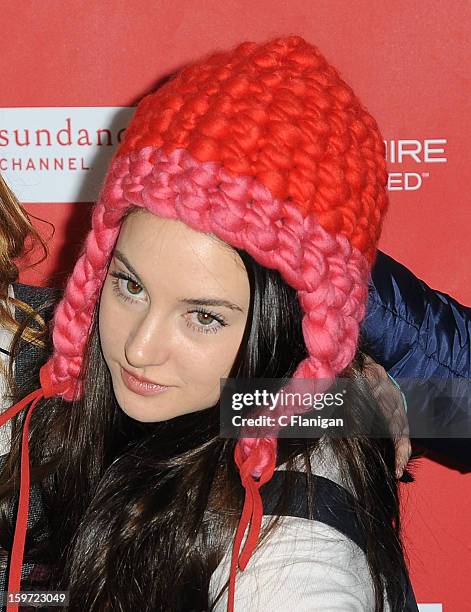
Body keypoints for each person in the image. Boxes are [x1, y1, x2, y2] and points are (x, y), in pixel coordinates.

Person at [0, 37, 419, 611]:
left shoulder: (291, 551)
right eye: (129, 285)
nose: (139, 349)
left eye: (202, 317)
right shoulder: (52, 367)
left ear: (292, 329)